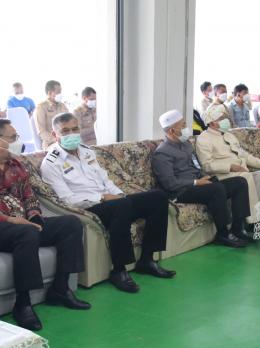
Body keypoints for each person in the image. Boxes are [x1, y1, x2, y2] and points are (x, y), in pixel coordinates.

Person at [41, 113, 175, 295]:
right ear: (54, 134)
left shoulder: (86, 151)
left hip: (111, 201)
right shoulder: (51, 163)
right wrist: (103, 197)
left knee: (157, 198)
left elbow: (105, 180)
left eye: (74, 129)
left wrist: (119, 195)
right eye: (65, 131)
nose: (71, 134)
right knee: (121, 207)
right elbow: (67, 200)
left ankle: (147, 259)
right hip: (89, 206)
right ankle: (119, 270)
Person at [0, 119, 90, 331]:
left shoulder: (16, 164)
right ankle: (23, 304)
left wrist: (34, 217)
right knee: (27, 233)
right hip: (4, 225)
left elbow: (28, 195)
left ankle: (61, 288)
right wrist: (11, 219)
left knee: (71, 223)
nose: (17, 142)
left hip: (22, 225)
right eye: (12, 138)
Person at [153, 109, 253, 248]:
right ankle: (223, 234)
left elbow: (194, 166)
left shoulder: (186, 144)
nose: (186, 128)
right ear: (171, 131)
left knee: (239, 182)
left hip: (196, 184)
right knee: (216, 189)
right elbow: (170, 183)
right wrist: (196, 182)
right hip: (179, 191)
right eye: (183, 125)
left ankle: (238, 228)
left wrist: (202, 176)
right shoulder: (162, 153)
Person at [196, 106, 260, 221]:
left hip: (241, 171)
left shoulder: (228, 135)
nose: (225, 120)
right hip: (222, 175)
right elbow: (206, 165)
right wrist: (230, 167)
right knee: (246, 177)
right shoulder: (204, 139)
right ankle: (254, 220)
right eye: (221, 118)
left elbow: (245, 156)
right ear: (212, 123)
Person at [34, 80, 69, 150]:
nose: (60, 94)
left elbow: (69, 123)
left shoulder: (63, 106)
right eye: (58, 92)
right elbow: (42, 132)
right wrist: (57, 139)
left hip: (66, 140)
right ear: (49, 93)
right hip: (51, 143)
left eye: (60, 92)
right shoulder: (41, 107)